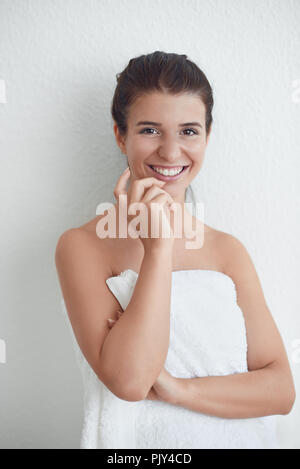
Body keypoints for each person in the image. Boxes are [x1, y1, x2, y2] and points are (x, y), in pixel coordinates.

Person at [55, 51, 295, 449]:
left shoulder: (227, 251)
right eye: (150, 130)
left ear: (207, 136)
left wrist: (178, 389)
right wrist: (159, 249)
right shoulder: (81, 247)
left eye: (188, 131)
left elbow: (281, 390)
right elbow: (130, 382)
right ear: (120, 135)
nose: (170, 152)